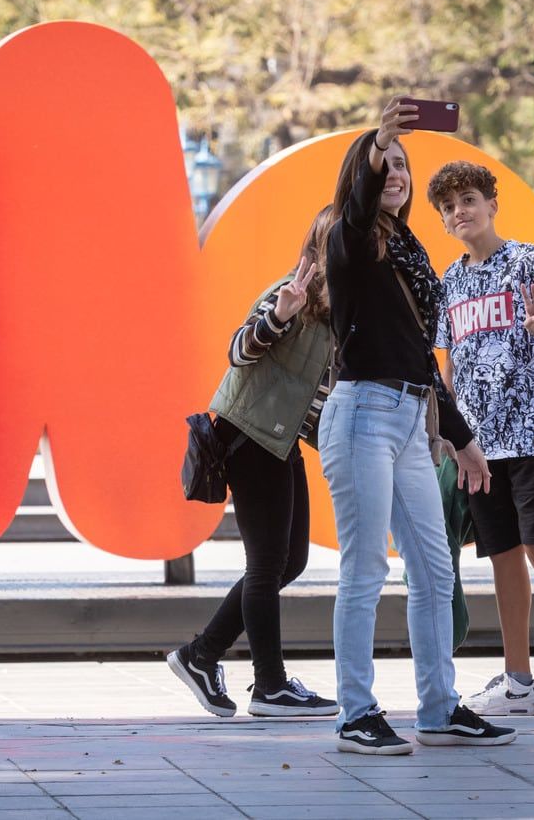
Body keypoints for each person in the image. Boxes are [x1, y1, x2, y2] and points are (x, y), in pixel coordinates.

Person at [320, 97, 517, 755]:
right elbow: (355, 209)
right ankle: (357, 713)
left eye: (404, 164)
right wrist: (379, 140)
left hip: (409, 418)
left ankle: (438, 708)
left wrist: (463, 442)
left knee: (435, 569)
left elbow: (421, 359)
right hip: (361, 418)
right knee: (366, 567)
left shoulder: (406, 247)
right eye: (387, 165)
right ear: (367, 173)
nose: (398, 172)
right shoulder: (346, 240)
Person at [428, 160, 534, 717]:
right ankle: (518, 680)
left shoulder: (530, 261)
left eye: (470, 199)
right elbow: (448, 368)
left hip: (532, 433)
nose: (461, 212)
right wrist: (446, 435)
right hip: (478, 446)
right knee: (501, 555)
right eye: (450, 207)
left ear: (492, 204)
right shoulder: (448, 283)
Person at [167, 207, 340, 718]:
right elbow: (238, 352)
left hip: (280, 441)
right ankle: (270, 686)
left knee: (292, 561)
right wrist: (279, 316)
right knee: (267, 564)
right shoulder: (289, 293)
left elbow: (316, 395)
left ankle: (201, 655)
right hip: (248, 436)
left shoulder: (338, 318)